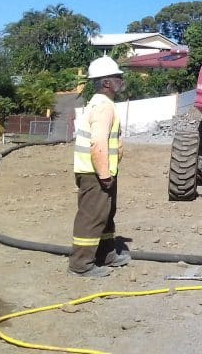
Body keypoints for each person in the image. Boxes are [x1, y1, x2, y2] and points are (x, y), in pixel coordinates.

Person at [68, 56, 129, 277]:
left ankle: (106, 254)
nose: (121, 80)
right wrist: (103, 175)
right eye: (117, 77)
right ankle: (81, 265)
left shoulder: (102, 104)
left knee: (105, 214)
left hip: (101, 172)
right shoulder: (103, 106)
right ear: (106, 83)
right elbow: (98, 143)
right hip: (94, 173)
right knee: (92, 217)